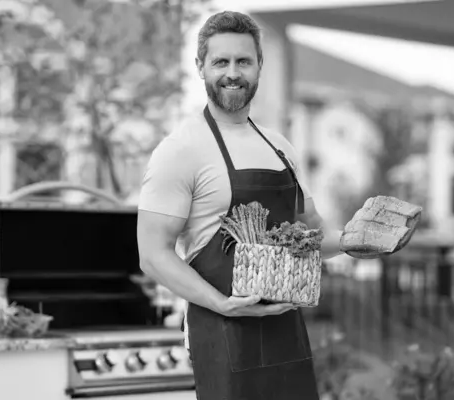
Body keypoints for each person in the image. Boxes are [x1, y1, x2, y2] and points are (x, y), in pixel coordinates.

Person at [136, 10, 411, 400]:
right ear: (200, 67)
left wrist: (355, 239)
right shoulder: (180, 151)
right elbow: (152, 254)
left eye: (243, 61)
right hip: (221, 328)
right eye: (221, 61)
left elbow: (311, 232)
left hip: (285, 326)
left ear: (260, 66)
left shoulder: (280, 147)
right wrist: (224, 305)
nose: (233, 73)